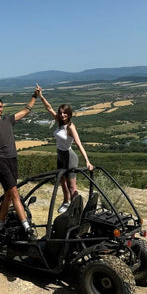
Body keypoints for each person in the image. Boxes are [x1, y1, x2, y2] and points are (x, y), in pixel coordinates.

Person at [0, 88, 40, 239]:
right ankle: (27, 228)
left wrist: (35, 96)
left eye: (0, 107)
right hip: (0, 161)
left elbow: (26, 110)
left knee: (7, 195)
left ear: (2, 108)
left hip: (13, 159)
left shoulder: (8, 120)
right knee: (15, 194)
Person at [37, 85, 94, 213]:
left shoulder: (70, 127)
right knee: (62, 181)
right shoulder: (59, 122)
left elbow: (79, 144)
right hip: (60, 155)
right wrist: (41, 96)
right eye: (61, 112)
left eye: (65, 113)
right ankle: (66, 202)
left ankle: (77, 208)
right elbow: (49, 108)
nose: (62, 115)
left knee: (72, 186)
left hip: (69, 156)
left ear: (69, 114)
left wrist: (87, 161)